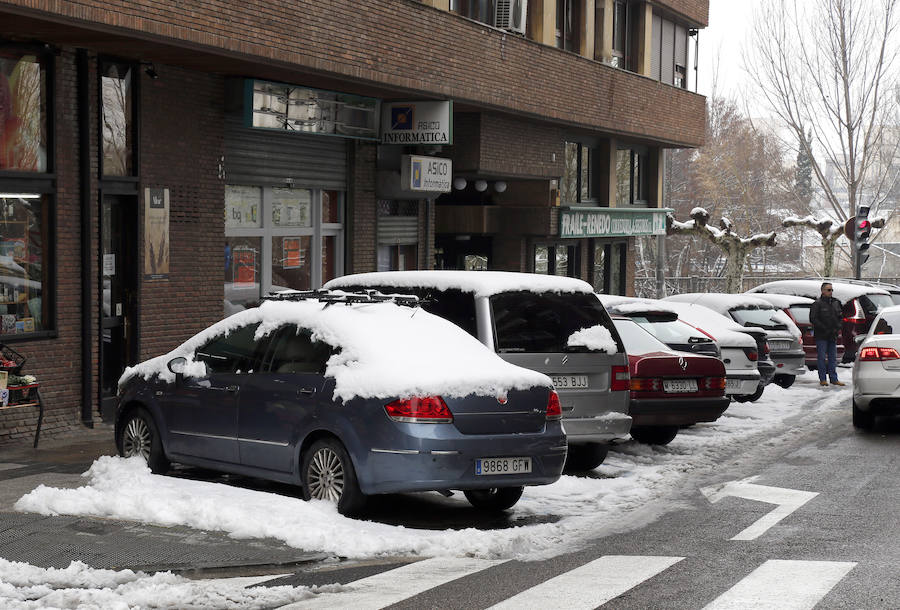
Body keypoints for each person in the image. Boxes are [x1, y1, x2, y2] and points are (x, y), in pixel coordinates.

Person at [809, 282, 845, 386]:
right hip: (822, 335)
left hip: (832, 335)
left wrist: (837, 327)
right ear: (823, 291)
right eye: (828, 290)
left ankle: (834, 378)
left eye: (832, 290)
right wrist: (824, 328)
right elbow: (813, 319)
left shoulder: (835, 302)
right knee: (821, 357)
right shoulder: (817, 304)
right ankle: (823, 379)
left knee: (832, 358)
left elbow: (840, 317)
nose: (831, 292)